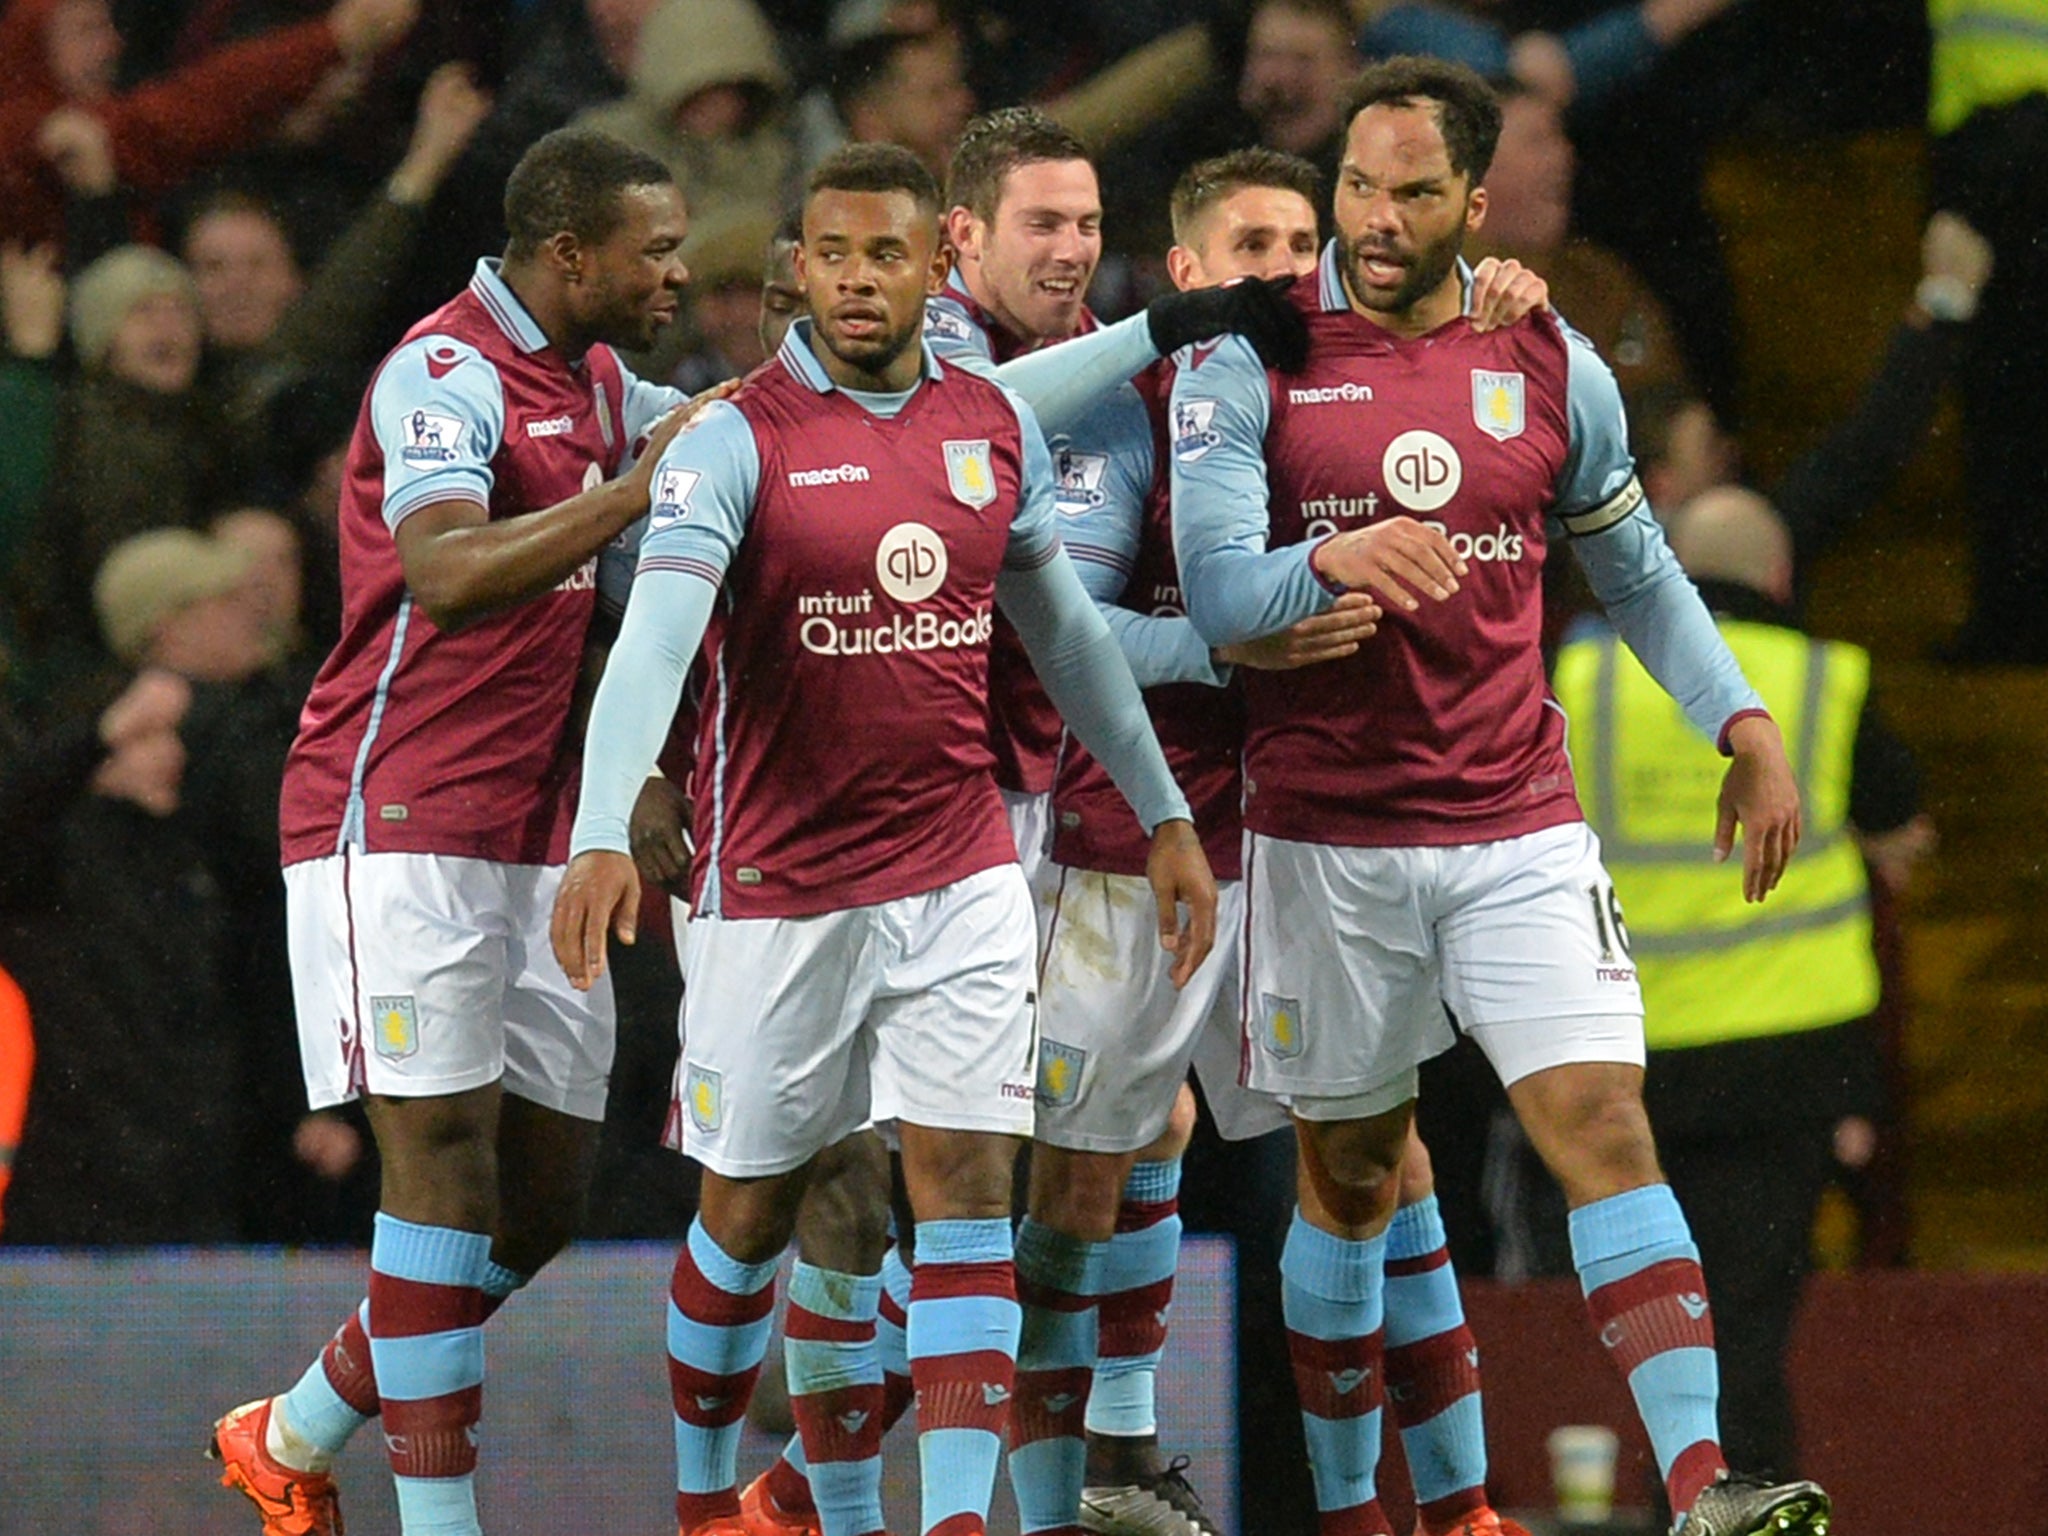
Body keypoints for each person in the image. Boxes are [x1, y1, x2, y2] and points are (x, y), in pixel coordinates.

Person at [1169, 56, 1826, 1536]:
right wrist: (1327, 562)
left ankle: (1707, 1489)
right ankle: (1352, 1511)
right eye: (1358, 184)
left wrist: (1745, 721)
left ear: (1474, 198)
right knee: (1347, 1181)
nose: (1380, 217)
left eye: (1414, 191)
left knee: (1602, 1120)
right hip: (1324, 836)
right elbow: (1215, 588)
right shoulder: (1248, 353)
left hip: (1514, 823)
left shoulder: (1548, 356)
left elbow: (1639, 567)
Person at [550, 141, 1215, 1536]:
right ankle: (702, 1507)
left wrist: (1160, 811)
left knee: (968, 1190)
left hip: (961, 871)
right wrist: (608, 821)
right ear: (799, 267)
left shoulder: (987, 425)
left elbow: (1071, 638)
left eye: (886, 257)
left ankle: (957, 1521)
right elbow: (657, 638)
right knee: (747, 1220)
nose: (858, 283)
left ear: (933, 266)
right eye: (833, 256)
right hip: (776, 893)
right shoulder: (734, 439)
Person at [206, 126, 703, 1536]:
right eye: (654, 250)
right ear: (569, 255)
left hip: (545, 834)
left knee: (538, 1206)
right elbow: (444, 568)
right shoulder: (443, 369)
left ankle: (292, 1427)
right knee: (438, 1183)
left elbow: (721, 447)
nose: (675, 271)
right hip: (399, 818)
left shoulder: (601, 380)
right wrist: (626, 498)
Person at [1553, 485, 1921, 1481]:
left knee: (1643, 1309)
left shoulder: (1581, 673)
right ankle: (1739, 1502)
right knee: (1747, 1317)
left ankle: (1664, 1495)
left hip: (1620, 1053)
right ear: (1779, 576)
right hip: (1786, 1058)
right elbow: (1900, 832)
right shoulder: (1824, 677)